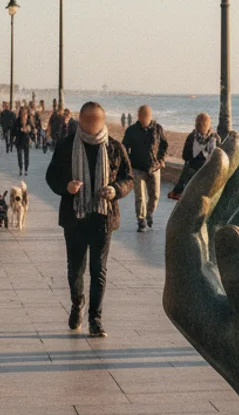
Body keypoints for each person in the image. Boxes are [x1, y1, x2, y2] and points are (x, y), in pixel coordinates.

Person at [46, 102, 132, 337]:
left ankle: (96, 318)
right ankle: (77, 304)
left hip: (103, 217)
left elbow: (128, 178)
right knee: (75, 269)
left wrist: (115, 190)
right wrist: (67, 186)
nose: (93, 126)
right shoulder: (66, 146)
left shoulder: (114, 147)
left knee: (99, 270)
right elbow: (51, 176)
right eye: (88, 121)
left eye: (97, 121)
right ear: (80, 121)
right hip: (75, 217)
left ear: (103, 121)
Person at [122, 104, 167, 233]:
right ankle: (141, 220)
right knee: (140, 196)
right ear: (139, 117)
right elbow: (124, 148)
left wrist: (161, 160)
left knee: (155, 195)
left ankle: (149, 213)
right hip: (137, 168)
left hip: (154, 168)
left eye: (146, 118)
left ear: (150, 117)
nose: (144, 120)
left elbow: (164, 145)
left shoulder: (157, 129)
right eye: (142, 117)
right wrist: (129, 163)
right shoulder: (131, 130)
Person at [169, 113, 220, 201]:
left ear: (196, 124)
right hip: (205, 168)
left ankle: (177, 192)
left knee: (187, 170)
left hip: (192, 167)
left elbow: (185, 155)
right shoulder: (213, 138)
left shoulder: (192, 136)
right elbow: (213, 154)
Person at [12, 106, 33, 176]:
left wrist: (28, 130)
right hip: (19, 140)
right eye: (23, 114)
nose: (24, 115)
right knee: (20, 156)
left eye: (25, 114)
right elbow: (13, 130)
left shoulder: (28, 120)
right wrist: (19, 130)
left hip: (26, 140)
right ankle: (21, 168)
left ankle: (26, 169)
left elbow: (32, 130)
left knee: (26, 156)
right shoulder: (17, 120)